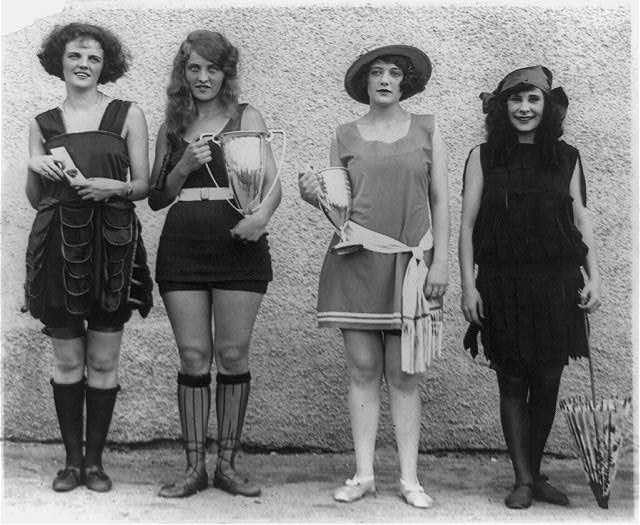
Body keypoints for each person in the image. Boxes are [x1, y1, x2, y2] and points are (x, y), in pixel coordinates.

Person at [298, 45, 449, 508]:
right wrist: (314, 199)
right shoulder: (344, 135)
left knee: (404, 374)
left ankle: (409, 479)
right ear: (365, 83)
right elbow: (340, 212)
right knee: (362, 370)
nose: (385, 79)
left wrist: (440, 262)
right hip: (356, 263)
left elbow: (442, 200)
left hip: (411, 266)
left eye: (394, 73)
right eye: (376, 73)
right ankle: (363, 474)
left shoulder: (428, 128)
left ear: (406, 82)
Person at [458, 65, 601, 509]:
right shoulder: (482, 157)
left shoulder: (568, 157)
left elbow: (581, 220)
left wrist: (596, 276)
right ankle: (522, 480)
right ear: (503, 108)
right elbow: (466, 226)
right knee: (512, 380)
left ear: (546, 106)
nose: (524, 108)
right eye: (515, 100)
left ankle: (534, 474)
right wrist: (468, 286)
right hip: (502, 284)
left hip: (557, 284)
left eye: (533, 100)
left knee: (549, 379)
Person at [148, 29, 281, 499]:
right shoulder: (171, 125)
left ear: (226, 73)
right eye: (194, 68)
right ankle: (193, 468)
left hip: (239, 248)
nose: (203, 77)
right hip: (182, 247)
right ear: (182, 73)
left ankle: (226, 464)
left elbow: (272, 183)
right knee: (192, 357)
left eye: (212, 68)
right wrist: (183, 166)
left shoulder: (247, 116)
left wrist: (260, 219)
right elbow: (156, 198)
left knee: (231, 355)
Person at [23, 22, 153, 493]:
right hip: (58, 245)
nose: (83, 65)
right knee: (66, 360)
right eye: (75, 56)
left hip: (112, 245)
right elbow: (35, 198)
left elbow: (144, 185)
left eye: (94, 58)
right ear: (59, 60)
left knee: (102, 359)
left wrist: (111, 187)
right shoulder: (42, 123)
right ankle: (71, 463)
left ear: (105, 66)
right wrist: (33, 165)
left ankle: (96, 464)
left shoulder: (127, 114)